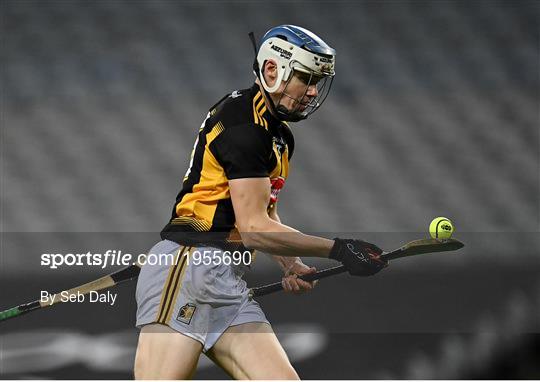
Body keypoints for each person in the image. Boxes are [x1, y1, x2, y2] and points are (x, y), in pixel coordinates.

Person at [134, 24, 387, 380]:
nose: (313, 91)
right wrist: (339, 249)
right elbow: (253, 230)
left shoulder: (279, 137)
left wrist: (290, 263)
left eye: (317, 82)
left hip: (225, 280)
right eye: (306, 78)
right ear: (273, 70)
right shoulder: (242, 124)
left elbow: (264, 213)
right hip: (188, 269)